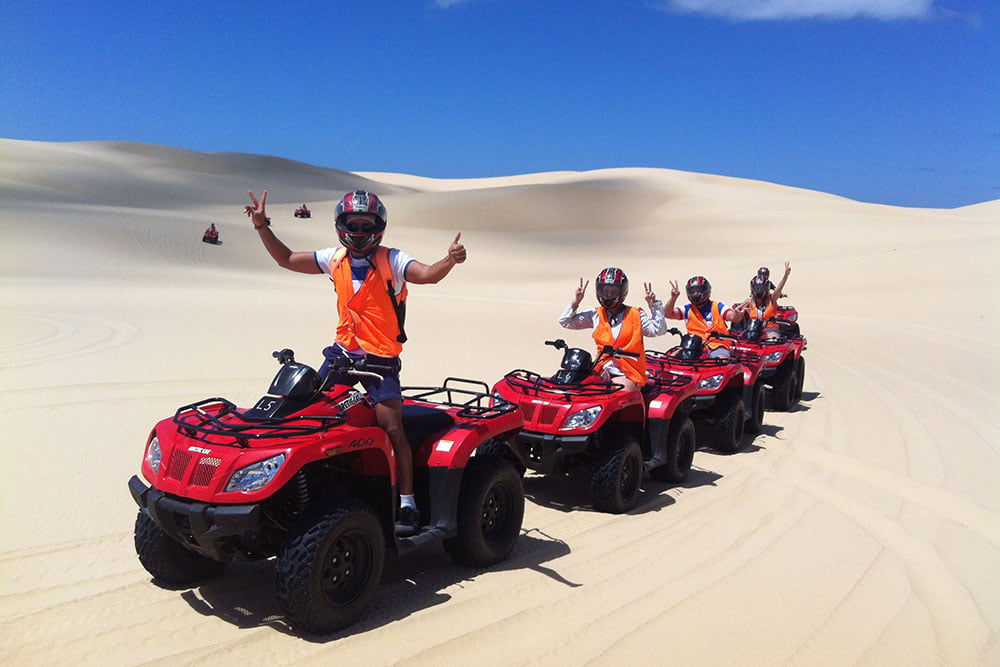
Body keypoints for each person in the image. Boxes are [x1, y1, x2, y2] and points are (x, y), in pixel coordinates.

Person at [244, 188, 466, 536]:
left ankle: (407, 503)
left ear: (378, 227)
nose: (360, 230)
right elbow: (286, 259)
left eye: (367, 223)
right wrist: (261, 226)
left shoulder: (393, 260)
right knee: (308, 412)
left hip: (381, 360)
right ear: (341, 224)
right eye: (353, 222)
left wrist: (449, 260)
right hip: (342, 354)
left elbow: (427, 274)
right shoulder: (334, 259)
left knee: (393, 428)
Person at [559, 267, 666, 391]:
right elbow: (566, 321)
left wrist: (654, 306)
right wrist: (576, 302)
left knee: (613, 394)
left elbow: (658, 330)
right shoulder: (595, 314)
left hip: (629, 373)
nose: (608, 295)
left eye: (613, 291)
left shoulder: (635, 314)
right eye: (604, 290)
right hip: (600, 368)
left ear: (622, 292)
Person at [663, 276, 745, 358]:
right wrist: (673, 298)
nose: (695, 294)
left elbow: (732, 317)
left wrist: (737, 314)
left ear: (706, 291)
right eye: (692, 292)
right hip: (692, 346)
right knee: (670, 358)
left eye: (698, 291)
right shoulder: (687, 309)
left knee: (722, 360)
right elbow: (668, 314)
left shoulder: (718, 306)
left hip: (717, 345)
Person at [740, 262, 791, 340]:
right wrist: (738, 312)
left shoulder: (771, 300)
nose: (759, 291)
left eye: (761, 288)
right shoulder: (749, 301)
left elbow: (778, 289)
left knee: (773, 339)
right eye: (757, 288)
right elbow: (737, 310)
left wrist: (785, 276)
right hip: (752, 330)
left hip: (770, 329)